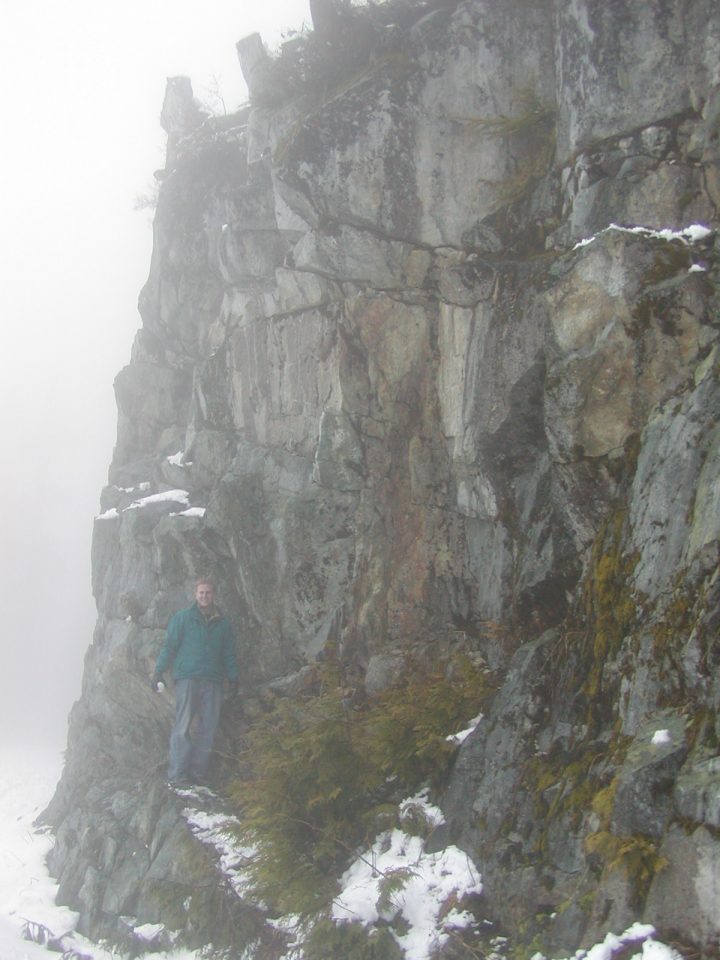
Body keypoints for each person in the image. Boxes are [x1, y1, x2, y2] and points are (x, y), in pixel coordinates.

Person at [152, 577, 239, 786]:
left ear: (213, 594)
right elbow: (169, 647)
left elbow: (229, 653)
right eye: (201, 593)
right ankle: (177, 776)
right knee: (182, 726)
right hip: (187, 678)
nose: (204, 596)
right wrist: (158, 672)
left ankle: (197, 774)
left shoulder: (223, 624)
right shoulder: (182, 619)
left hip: (212, 680)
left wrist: (234, 678)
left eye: (208, 593)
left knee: (208, 729)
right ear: (195, 594)